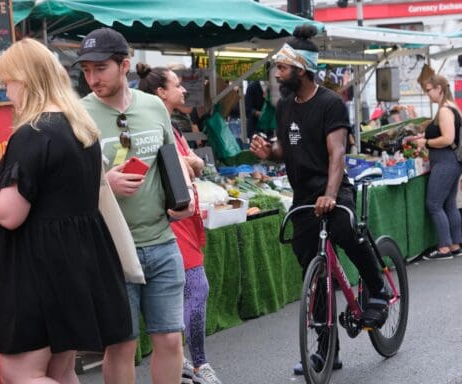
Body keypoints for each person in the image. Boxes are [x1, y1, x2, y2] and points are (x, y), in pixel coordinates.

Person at [0, 37, 132, 383]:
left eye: (9, 82)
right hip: (73, 264)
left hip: (37, 270)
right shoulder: (79, 126)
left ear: (27, 79)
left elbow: (9, 214)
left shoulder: (33, 132)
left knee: (20, 373)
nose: (8, 92)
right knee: (61, 370)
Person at [249, 25, 390, 376]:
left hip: (332, 188)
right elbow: (286, 149)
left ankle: (378, 288)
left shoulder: (330, 104)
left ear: (302, 69)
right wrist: (269, 153)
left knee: (345, 229)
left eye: (282, 67)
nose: (277, 73)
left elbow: (337, 153)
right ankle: (328, 352)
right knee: (314, 276)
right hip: (303, 198)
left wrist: (330, 194)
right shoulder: (284, 107)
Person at [76, 28, 195, 384]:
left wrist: (184, 194)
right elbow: (64, 186)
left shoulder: (154, 105)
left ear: (125, 65)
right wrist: (104, 183)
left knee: (171, 339)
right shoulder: (77, 115)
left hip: (161, 240)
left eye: (101, 69)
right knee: (121, 346)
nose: (92, 78)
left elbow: (171, 160)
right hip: (110, 250)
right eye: (85, 71)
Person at [137, 63, 223, 384]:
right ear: (160, 92)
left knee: (190, 292)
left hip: (185, 220)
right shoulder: (150, 125)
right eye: (176, 85)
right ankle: (198, 364)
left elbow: (195, 165)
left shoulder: (171, 125)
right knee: (197, 288)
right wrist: (189, 164)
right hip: (170, 221)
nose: (183, 89)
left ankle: (187, 362)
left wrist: (193, 163)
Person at [412, 75, 462, 260]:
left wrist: (426, 141)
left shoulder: (444, 111)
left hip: (445, 161)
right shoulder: (452, 106)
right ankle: (455, 245)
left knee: (433, 204)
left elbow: (448, 138)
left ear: (439, 88)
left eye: (428, 90)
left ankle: (444, 248)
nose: (427, 94)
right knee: (449, 203)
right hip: (452, 162)